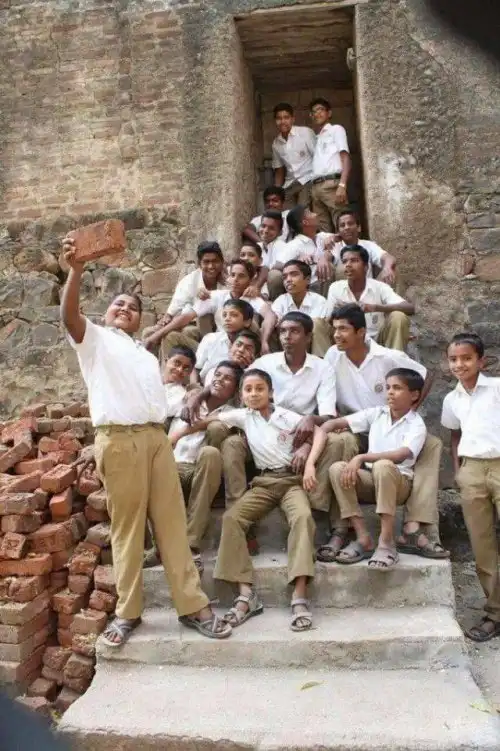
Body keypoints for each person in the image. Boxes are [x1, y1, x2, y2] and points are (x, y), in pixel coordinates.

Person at [60, 236, 231, 645]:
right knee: (128, 529)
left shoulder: (143, 354)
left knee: (173, 526)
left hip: (156, 441)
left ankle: (193, 606)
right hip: (120, 441)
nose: (125, 309)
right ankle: (128, 612)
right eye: (119, 304)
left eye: (133, 308)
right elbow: (69, 317)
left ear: (140, 320)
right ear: (106, 313)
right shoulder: (94, 339)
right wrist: (76, 271)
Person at [319, 304, 448, 562]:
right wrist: (322, 429)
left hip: (389, 437)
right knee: (340, 450)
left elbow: (425, 374)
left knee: (430, 444)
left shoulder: (387, 357)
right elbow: (329, 406)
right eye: (334, 329)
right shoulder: (333, 355)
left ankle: (411, 526)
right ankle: (343, 528)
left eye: (343, 329)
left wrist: (409, 412)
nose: (336, 335)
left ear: (361, 332)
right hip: (361, 424)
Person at [211, 369, 326, 631]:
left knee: (303, 517)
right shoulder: (243, 416)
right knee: (232, 519)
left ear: (271, 392)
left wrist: (309, 463)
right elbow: (209, 419)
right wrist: (175, 435)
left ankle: (299, 595)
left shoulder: (286, 416)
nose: (254, 394)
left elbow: (320, 433)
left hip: (291, 481)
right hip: (263, 482)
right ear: (241, 395)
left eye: (260, 388)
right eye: (248, 389)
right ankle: (246, 594)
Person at [219, 312, 357, 511]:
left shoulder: (322, 368)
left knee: (337, 440)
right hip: (262, 432)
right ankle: (237, 506)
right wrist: (199, 393)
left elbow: (328, 415)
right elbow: (238, 384)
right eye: (283, 331)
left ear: (308, 337)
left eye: (294, 331)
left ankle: (315, 504)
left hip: (301, 434)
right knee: (232, 443)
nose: (287, 336)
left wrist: (310, 423)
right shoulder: (265, 363)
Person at [325, 368, 427, 570]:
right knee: (337, 468)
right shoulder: (377, 414)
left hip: (399, 484)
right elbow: (337, 423)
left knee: (383, 465)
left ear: (414, 395)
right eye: (388, 387)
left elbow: (401, 454)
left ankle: (386, 542)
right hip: (372, 479)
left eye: (397, 388)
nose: (390, 392)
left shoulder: (416, 424)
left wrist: (361, 457)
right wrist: (322, 428)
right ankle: (363, 537)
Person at [441, 332, 500, 642]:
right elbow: (455, 435)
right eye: (453, 359)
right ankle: (495, 613)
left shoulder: (497, 388)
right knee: (482, 545)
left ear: (481, 361)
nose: (459, 364)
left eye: (466, 358)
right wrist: (458, 470)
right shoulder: (452, 399)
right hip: (472, 471)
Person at [168, 361, 243, 575]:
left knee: (210, 453)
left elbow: (209, 422)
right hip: (171, 464)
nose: (220, 380)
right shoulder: (185, 398)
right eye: (217, 375)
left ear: (235, 389)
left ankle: (191, 544)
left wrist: (176, 436)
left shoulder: (232, 413)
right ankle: (159, 546)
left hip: (199, 471)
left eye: (227, 378)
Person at [142, 240, 225, 358]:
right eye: (206, 262)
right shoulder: (190, 280)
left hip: (209, 327)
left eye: (215, 261)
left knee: (185, 332)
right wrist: (166, 319)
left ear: (222, 262)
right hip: (185, 320)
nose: (211, 266)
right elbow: (174, 309)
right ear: (199, 264)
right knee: (148, 333)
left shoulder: (229, 280)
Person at [327, 245, 414, 351]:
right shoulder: (335, 288)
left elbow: (410, 308)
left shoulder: (379, 287)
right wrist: (345, 310)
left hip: (378, 341)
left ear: (366, 267)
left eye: (354, 261)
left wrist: (375, 308)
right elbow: (328, 320)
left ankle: (395, 358)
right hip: (349, 341)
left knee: (398, 316)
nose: (348, 265)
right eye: (344, 261)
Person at [261, 260, 331, 357]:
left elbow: (310, 330)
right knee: (269, 326)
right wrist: (264, 341)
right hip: (288, 346)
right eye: (285, 277)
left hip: (311, 347)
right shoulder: (281, 300)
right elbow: (272, 320)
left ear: (307, 280)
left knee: (316, 323)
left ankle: (320, 362)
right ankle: (274, 361)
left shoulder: (319, 301)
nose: (288, 280)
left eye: (294, 275)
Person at [193, 259, 272, 333]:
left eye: (241, 276)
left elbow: (269, 315)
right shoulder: (219, 295)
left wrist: (264, 339)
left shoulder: (253, 299)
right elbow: (191, 314)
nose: (235, 279)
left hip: (244, 339)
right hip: (220, 339)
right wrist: (201, 293)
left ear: (250, 280)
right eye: (233, 275)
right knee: (201, 314)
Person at [309, 98, 351, 233]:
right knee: (323, 232)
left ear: (329, 113)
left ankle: (349, 248)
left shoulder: (336, 129)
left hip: (332, 184)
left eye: (320, 110)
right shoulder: (317, 137)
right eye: (314, 111)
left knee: (343, 225)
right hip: (316, 188)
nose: (317, 113)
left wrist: (342, 185)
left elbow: (345, 158)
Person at [279, 204, 336, 296]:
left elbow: (342, 235)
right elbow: (277, 266)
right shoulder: (294, 245)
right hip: (308, 288)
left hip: (327, 285)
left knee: (330, 266)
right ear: (305, 222)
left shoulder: (321, 237)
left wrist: (332, 238)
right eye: (310, 213)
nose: (315, 214)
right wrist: (296, 262)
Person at [194, 298, 254, 385]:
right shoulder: (210, 339)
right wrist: (194, 386)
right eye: (224, 315)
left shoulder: (251, 345)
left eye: (234, 315)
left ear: (247, 322)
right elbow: (196, 367)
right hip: (206, 383)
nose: (227, 319)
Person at [333, 210, 397, 284]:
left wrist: (387, 268)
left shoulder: (368, 245)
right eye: (342, 225)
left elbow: (388, 257)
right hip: (343, 289)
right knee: (342, 268)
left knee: (392, 268)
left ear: (359, 228)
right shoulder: (335, 247)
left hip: (368, 288)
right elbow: (328, 257)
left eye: (350, 224)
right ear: (338, 232)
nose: (346, 227)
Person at [271, 102, 316, 208]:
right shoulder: (276, 143)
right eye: (279, 118)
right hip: (289, 184)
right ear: (275, 121)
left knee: (301, 211)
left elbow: (318, 157)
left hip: (307, 180)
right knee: (285, 213)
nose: (282, 121)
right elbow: (279, 170)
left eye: (286, 117)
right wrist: (277, 192)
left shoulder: (305, 133)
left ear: (293, 119)